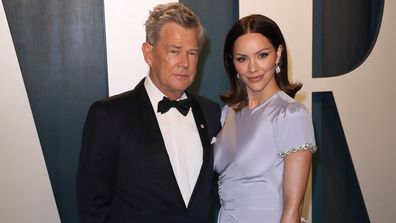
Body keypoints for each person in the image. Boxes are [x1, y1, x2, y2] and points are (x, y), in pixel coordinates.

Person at [76, 3, 221, 223]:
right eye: (174, 51)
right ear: (149, 53)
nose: (185, 63)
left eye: (192, 53)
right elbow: (92, 207)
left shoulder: (210, 113)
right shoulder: (109, 116)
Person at [214, 14, 317, 223]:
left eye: (262, 55)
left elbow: (292, 210)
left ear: (278, 54)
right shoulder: (227, 113)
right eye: (242, 58)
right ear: (232, 62)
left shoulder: (291, 114)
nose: (252, 68)